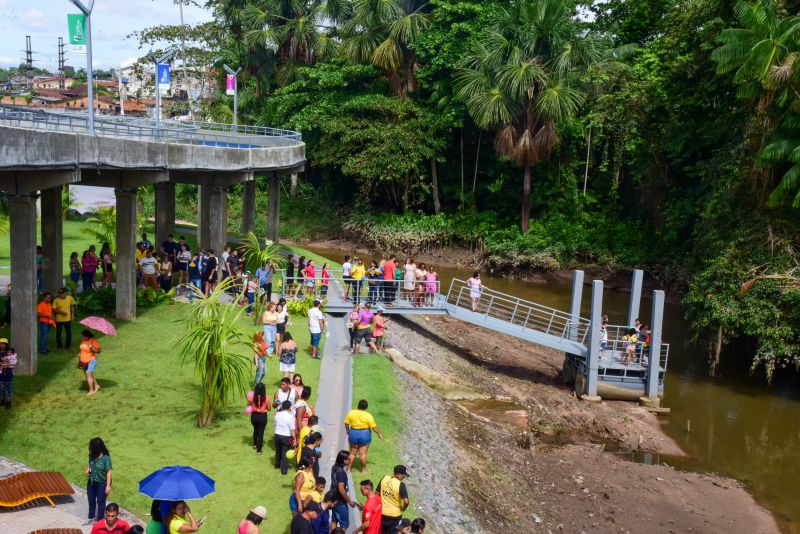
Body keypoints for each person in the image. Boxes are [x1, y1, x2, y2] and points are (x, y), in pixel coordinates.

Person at [345, 399, 383, 473]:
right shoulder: (368, 415)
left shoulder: (351, 413)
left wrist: (347, 431)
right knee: (363, 454)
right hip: (364, 434)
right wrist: (379, 433)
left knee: (352, 453)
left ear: (358, 405)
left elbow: (346, 423)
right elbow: (373, 427)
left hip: (353, 433)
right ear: (366, 407)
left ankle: (349, 469)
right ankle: (364, 470)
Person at [86, 437, 113, 525]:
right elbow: (90, 464)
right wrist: (88, 470)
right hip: (92, 481)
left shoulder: (106, 458)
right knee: (91, 499)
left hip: (103, 482)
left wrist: (108, 485)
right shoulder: (92, 455)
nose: (91, 449)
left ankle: (100, 521)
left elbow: (108, 471)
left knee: (101, 502)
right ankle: (91, 517)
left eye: (93, 448)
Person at [377, 465, 410, 534]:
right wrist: (403, 508)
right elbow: (406, 502)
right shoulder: (400, 484)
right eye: (403, 476)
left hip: (382, 513)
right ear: (398, 474)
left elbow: (377, 493)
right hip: (395, 516)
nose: (403, 478)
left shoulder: (384, 478)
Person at [330, 450, 357, 531]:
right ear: (344, 460)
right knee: (344, 524)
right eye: (348, 459)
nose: (350, 460)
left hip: (333, 499)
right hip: (340, 501)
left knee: (334, 520)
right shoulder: (341, 472)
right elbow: (341, 489)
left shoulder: (334, 467)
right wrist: (349, 501)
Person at [274, 400, 298, 475]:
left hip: (277, 434)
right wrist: (294, 438)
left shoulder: (277, 414)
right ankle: (284, 471)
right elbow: (292, 429)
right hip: (286, 436)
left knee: (278, 451)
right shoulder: (290, 417)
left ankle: (277, 465)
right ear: (289, 407)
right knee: (285, 453)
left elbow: (275, 424)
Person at [79, 329, 102, 396]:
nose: (82, 337)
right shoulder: (84, 340)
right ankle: (97, 386)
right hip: (83, 360)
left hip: (91, 360)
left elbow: (98, 351)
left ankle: (91, 390)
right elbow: (82, 348)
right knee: (88, 375)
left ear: (88, 336)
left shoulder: (94, 341)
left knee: (88, 374)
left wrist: (92, 348)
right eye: (82, 336)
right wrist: (80, 353)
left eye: (83, 336)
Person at [250, 382, 270, 455]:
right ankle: (259, 450)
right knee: (261, 433)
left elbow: (248, 405)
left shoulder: (252, 397)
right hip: (262, 416)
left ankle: (255, 444)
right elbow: (269, 408)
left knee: (255, 429)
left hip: (254, 416)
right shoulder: (267, 397)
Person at [0, 338, 17, 409]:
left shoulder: (10, 352)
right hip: (1, 373)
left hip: (8, 372)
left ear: (6, 344)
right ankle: (3, 400)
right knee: (1, 387)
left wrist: (8, 365)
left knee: (8, 387)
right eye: (1, 343)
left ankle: (8, 401)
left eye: (4, 343)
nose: (2, 345)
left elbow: (15, 361)